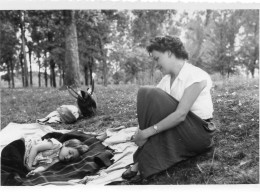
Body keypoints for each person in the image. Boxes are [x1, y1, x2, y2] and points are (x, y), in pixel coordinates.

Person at [122, 35, 216, 180]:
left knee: (147, 92)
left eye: (157, 59)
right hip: (180, 129)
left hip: (198, 132)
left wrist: (146, 132)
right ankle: (143, 160)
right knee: (148, 95)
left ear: (169, 53)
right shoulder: (166, 81)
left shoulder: (196, 75)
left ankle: (142, 160)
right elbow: (151, 110)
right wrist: (139, 131)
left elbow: (180, 115)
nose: (156, 64)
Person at [25, 137, 89, 177]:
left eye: (71, 158)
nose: (68, 157)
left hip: (27, 158)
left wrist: (35, 171)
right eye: (69, 153)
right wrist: (29, 164)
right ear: (65, 144)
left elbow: (44, 167)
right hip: (27, 147)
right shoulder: (56, 145)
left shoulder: (57, 160)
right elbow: (35, 148)